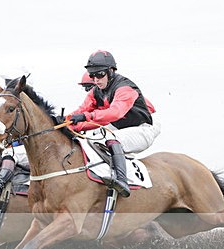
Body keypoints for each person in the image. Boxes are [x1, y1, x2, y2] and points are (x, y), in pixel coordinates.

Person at [66, 50, 161, 197]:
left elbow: (114, 113)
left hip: (143, 128)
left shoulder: (125, 88)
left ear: (111, 71)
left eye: (99, 74)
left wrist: (85, 116)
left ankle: (121, 181)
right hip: (120, 127)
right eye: (92, 75)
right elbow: (81, 110)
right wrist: (64, 121)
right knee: (88, 138)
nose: (96, 80)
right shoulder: (96, 91)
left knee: (111, 139)